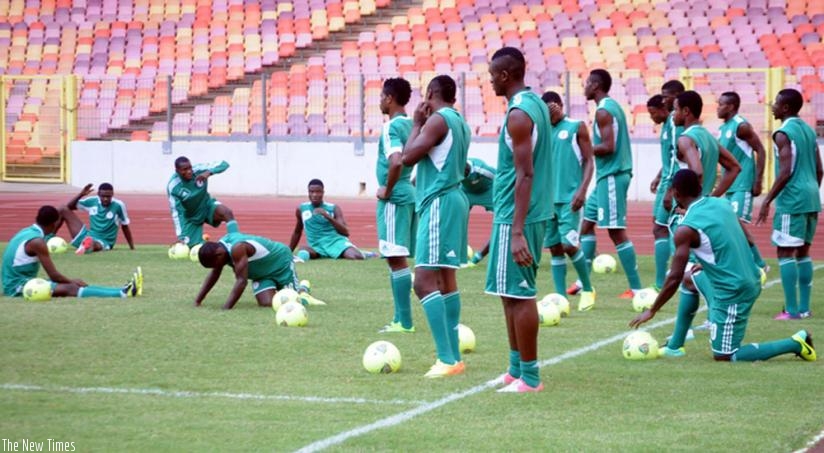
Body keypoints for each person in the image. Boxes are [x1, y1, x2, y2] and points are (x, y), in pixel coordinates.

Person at [630, 169, 816, 363]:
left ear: (676, 194)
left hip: (735, 290)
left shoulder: (685, 229)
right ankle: (675, 346)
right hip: (744, 276)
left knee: (725, 355)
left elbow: (674, 277)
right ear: (700, 187)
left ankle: (796, 342)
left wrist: (652, 309)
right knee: (689, 280)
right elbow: (744, 237)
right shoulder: (722, 203)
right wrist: (708, 261)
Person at [484, 47, 553, 393]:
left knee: (521, 293)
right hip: (515, 213)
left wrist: (517, 231)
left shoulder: (519, 115)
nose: (489, 79)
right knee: (507, 292)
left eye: (492, 74)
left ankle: (531, 377)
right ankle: (515, 369)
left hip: (519, 215)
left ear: (506, 75)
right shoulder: (534, 103)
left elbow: (525, 174)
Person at [401, 74, 471, 378]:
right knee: (446, 279)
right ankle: (453, 355)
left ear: (430, 93)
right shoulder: (460, 122)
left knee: (423, 281)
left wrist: (416, 122)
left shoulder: (437, 121)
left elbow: (407, 157)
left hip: (439, 202)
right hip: (454, 198)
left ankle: (446, 357)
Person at [756, 88, 823, 320]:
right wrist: (811, 189)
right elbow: (819, 169)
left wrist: (767, 200)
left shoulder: (783, 133)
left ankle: (792, 311)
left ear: (785, 108)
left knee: (785, 251)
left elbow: (785, 172)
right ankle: (804, 308)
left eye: (775, 103)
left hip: (792, 199)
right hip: (812, 196)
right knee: (803, 251)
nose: (772, 106)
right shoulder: (807, 129)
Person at [577, 69, 643, 299]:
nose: (584, 86)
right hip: (606, 177)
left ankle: (636, 289)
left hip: (613, 176)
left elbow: (608, 146)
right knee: (585, 225)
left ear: (595, 85)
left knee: (616, 232)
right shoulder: (610, 107)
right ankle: (583, 283)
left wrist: (581, 149)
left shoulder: (604, 111)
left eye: (586, 82)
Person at [2, 206, 141, 299]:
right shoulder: (37, 242)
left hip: (17, 281)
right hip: (17, 286)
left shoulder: (27, 231)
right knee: (70, 288)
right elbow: (54, 275)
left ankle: (122, 289)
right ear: (53, 223)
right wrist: (72, 281)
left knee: (71, 285)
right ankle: (122, 293)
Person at [540, 91, 595, 311]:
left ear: (561, 105)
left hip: (570, 198)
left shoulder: (576, 126)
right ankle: (561, 297)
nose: (551, 113)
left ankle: (589, 289)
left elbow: (589, 160)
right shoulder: (541, 132)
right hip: (547, 200)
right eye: (547, 110)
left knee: (569, 245)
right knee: (554, 248)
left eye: (554, 108)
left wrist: (582, 190)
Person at [375, 77, 417, 333]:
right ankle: (400, 318)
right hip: (409, 193)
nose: (380, 100)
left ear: (389, 98)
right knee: (398, 257)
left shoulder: (390, 127)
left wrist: (387, 190)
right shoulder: (413, 125)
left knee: (395, 258)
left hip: (395, 198)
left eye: (381, 96)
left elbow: (397, 161)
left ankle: (404, 321)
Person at [195, 231, 325, 310]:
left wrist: (226, 308)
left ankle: (303, 290)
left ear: (219, 254)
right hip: (262, 275)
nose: (215, 267)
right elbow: (214, 275)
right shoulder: (220, 249)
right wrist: (198, 300)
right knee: (268, 303)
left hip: (280, 262)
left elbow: (241, 281)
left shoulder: (237, 248)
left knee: (292, 301)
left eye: (214, 264)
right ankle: (294, 288)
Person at [716, 91, 768, 271]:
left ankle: (758, 264)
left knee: (737, 226)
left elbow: (760, 150)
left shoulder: (741, 126)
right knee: (730, 225)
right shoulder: (723, 128)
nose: (717, 107)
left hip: (743, 184)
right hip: (730, 186)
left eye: (720, 104)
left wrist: (758, 181)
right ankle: (755, 263)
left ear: (730, 106)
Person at [649, 80, 684, 291]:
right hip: (668, 179)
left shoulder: (673, 122)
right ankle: (664, 280)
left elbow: (678, 157)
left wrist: (671, 188)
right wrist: (659, 175)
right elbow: (670, 156)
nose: (664, 99)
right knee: (662, 227)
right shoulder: (667, 124)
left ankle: (668, 280)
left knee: (668, 228)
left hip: (673, 182)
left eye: (667, 95)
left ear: (678, 95)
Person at [288, 179, 368, 260]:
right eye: (311, 192)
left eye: (318, 192)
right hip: (316, 246)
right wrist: (289, 251)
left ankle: (364, 253)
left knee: (356, 257)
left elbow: (345, 232)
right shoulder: (301, 208)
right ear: (308, 192)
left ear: (323, 192)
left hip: (334, 242)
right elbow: (297, 232)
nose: (314, 195)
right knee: (303, 250)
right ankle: (322, 255)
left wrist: (327, 216)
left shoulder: (333, 208)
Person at [167, 156, 238, 246]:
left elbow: (224, 164)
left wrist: (209, 172)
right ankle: (199, 242)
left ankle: (236, 241)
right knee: (191, 247)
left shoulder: (199, 170)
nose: (189, 171)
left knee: (227, 212)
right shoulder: (173, 186)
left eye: (190, 168)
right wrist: (181, 235)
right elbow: (176, 213)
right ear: (177, 171)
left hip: (207, 206)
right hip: (191, 217)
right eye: (184, 169)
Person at [59, 182, 134, 255]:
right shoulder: (92, 201)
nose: (105, 199)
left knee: (93, 243)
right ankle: (49, 237)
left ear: (112, 195)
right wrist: (81, 194)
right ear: (98, 194)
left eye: (108, 197)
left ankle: (86, 247)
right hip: (88, 235)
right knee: (62, 209)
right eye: (103, 196)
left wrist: (132, 247)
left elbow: (125, 226)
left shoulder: (118, 205)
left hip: (104, 241)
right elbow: (69, 206)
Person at [461, 157, 496, 265]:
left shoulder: (482, 170)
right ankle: (459, 255)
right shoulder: (454, 172)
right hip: (467, 192)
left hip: (489, 191)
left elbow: (500, 179)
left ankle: (478, 257)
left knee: (502, 222)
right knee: (454, 221)